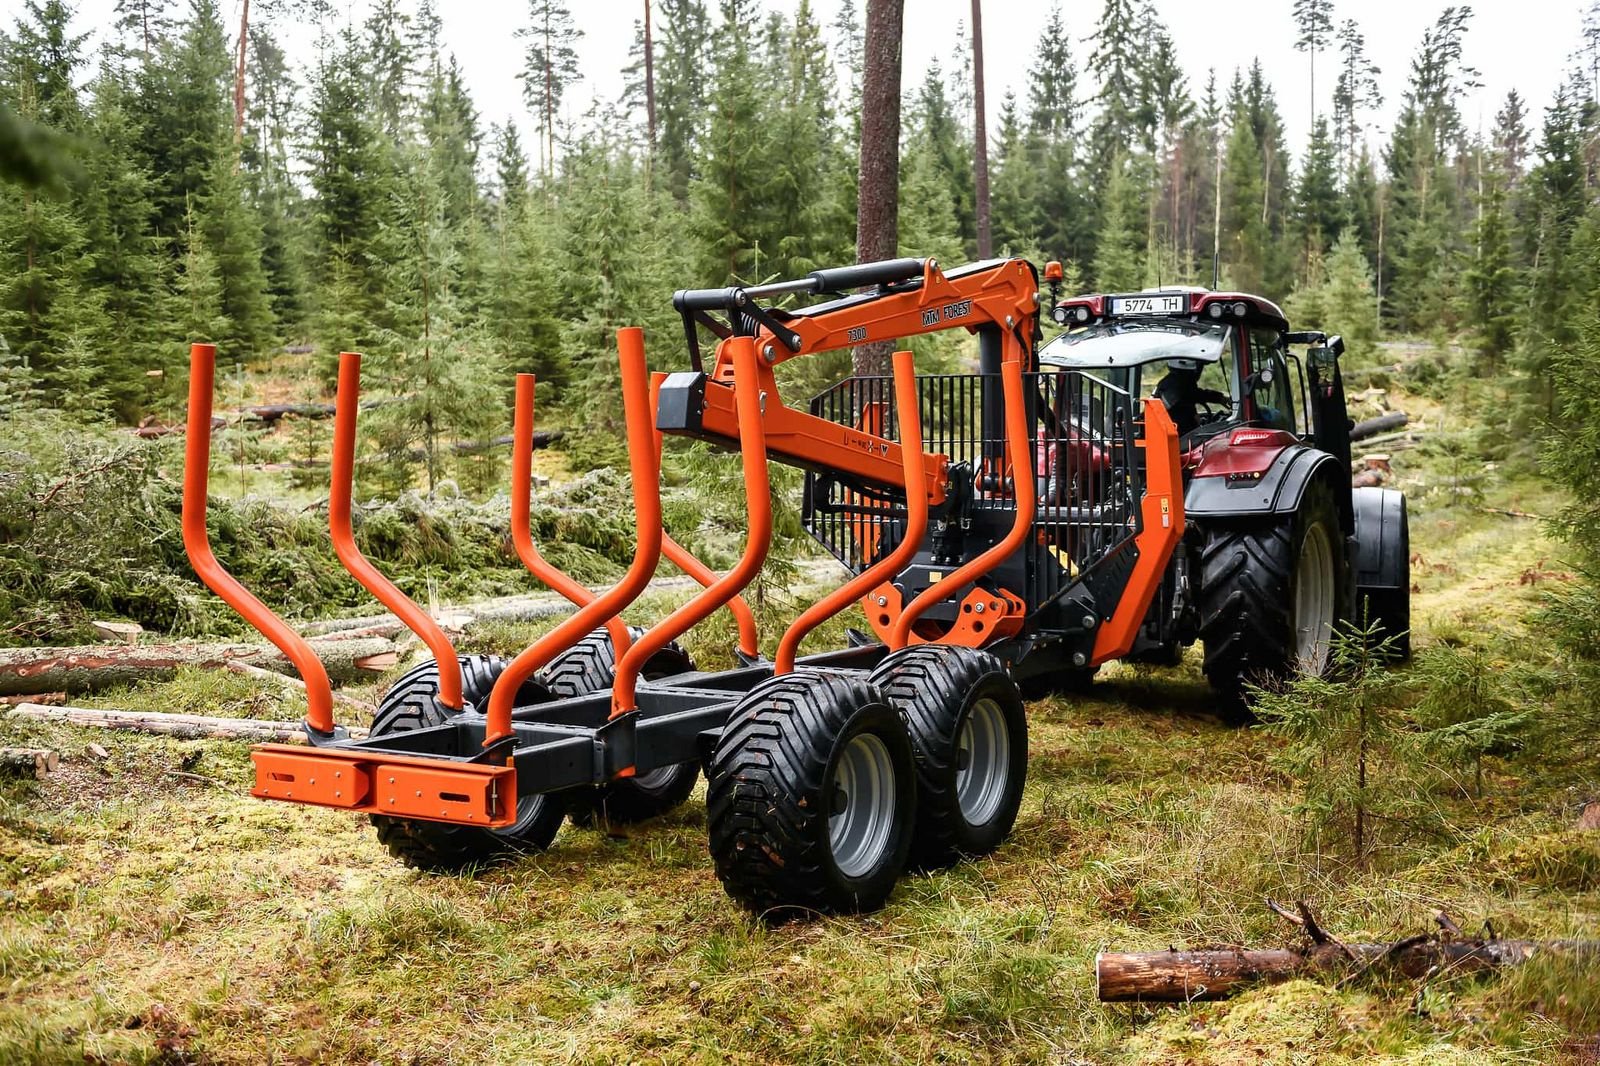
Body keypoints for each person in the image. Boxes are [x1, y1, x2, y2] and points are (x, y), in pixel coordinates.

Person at [1152, 361, 1229, 436]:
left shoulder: (1170, 382)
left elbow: (1195, 395)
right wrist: (1220, 398)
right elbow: (1194, 396)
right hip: (1176, 433)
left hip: (1169, 428)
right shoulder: (1180, 384)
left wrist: (1220, 398)